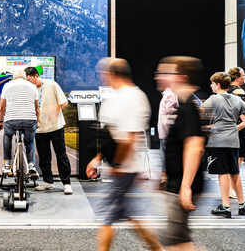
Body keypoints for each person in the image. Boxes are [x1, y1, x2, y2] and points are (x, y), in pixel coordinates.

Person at [86, 59, 162, 251]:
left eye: (103, 73)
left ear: (112, 74)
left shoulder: (132, 97)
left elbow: (129, 138)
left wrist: (118, 165)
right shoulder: (118, 96)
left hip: (123, 169)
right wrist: (98, 158)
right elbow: (112, 134)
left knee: (105, 215)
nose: (101, 77)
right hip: (121, 167)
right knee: (130, 213)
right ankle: (158, 249)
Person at [159, 56, 206, 251]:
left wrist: (185, 187)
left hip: (182, 185)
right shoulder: (186, 105)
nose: (160, 77)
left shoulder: (187, 109)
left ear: (182, 77)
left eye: (166, 73)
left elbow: (194, 146)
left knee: (175, 240)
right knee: (178, 238)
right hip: (178, 183)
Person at [202, 72, 245, 218]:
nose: (211, 86)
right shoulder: (236, 99)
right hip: (233, 141)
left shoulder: (213, 99)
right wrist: (239, 127)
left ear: (218, 85)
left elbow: (199, 113)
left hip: (218, 141)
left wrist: (207, 127)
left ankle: (225, 207)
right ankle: (242, 205)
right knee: (235, 173)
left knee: (222, 174)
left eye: (212, 83)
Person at [24, 66, 72, 195]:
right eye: (26, 80)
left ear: (36, 76)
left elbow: (64, 102)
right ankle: (48, 182)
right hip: (40, 128)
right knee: (44, 157)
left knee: (61, 155)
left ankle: (66, 183)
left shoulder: (51, 84)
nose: (28, 83)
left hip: (56, 126)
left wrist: (54, 110)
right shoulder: (29, 89)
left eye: (29, 80)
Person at [0, 69, 40, 178]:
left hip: (12, 120)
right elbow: (37, 109)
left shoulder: (7, 85)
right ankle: (31, 165)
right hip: (30, 120)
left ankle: (7, 164)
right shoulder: (33, 87)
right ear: (25, 78)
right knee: (29, 142)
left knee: (7, 135)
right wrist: (38, 121)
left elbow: (1, 108)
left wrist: (0, 122)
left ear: (14, 78)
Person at [226, 66, 245, 199]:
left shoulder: (228, 90)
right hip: (239, 129)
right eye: (243, 75)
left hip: (230, 128)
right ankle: (231, 188)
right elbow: (243, 112)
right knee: (238, 159)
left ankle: (229, 187)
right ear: (237, 78)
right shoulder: (238, 91)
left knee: (233, 159)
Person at [156, 64, 179, 191]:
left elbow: (169, 112)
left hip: (165, 131)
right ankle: (165, 179)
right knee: (166, 156)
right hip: (166, 131)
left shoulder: (169, 94)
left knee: (165, 156)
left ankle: (165, 179)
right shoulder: (170, 94)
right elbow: (171, 112)